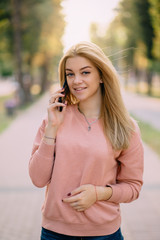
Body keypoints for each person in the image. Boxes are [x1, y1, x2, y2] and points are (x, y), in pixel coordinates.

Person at [29, 41, 144, 240]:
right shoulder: (52, 120)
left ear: (101, 75)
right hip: (54, 233)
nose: (76, 81)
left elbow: (133, 187)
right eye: (70, 74)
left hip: (104, 234)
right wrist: (52, 129)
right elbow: (38, 179)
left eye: (85, 72)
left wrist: (98, 193)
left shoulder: (127, 127)